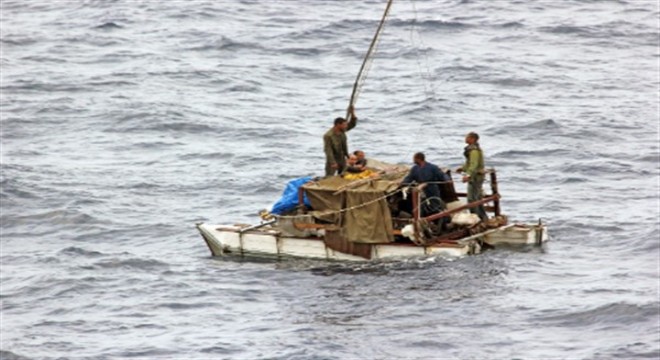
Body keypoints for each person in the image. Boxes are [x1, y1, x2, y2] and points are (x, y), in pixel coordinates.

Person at [456, 132, 487, 221]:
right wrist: (462, 168)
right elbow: (469, 163)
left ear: (473, 139)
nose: (465, 138)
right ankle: (482, 218)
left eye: (467, 137)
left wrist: (468, 175)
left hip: (475, 178)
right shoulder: (472, 150)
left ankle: (476, 218)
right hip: (476, 177)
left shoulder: (474, 151)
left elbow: (474, 164)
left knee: (472, 199)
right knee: (477, 198)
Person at [323, 105, 357, 176]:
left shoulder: (342, 131)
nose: (346, 126)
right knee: (330, 176)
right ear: (338, 125)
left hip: (342, 157)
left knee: (342, 174)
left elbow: (352, 124)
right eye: (344, 125)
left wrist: (352, 113)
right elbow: (328, 150)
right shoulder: (328, 135)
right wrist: (333, 162)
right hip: (333, 159)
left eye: (346, 125)